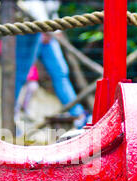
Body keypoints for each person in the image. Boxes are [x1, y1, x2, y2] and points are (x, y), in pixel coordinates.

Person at [16, 0, 88, 129]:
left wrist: (54, 28)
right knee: (20, 75)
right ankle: (13, 116)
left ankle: (78, 116)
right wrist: (45, 27)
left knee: (60, 73)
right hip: (30, 27)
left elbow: (51, 9)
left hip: (47, 31)